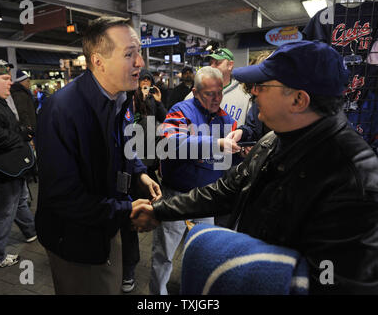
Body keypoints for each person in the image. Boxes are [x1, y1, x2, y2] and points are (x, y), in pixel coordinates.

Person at [131, 40, 378, 294]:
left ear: (298, 100)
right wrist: (160, 210)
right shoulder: (272, 141)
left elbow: (339, 282)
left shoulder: (355, 177)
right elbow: (225, 190)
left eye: (262, 86)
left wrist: (219, 250)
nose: (253, 93)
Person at [35, 16, 161, 295]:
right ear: (98, 61)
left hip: (106, 225)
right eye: (129, 54)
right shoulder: (62, 111)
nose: (140, 62)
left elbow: (123, 145)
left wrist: (140, 173)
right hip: (75, 239)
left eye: (138, 52)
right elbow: (64, 197)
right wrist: (127, 210)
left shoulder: (119, 98)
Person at [149, 66, 242, 295]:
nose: (216, 98)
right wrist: (217, 143)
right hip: (177, 197)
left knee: (204, 255)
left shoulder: (226, 119)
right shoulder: (180, 111)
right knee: (164, 254)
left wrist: (242, 151)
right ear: (195, 92)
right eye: (210, 93)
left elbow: (229, 159)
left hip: (207, 199)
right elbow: (171, 144)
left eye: (219, 92)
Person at [0, 64, 35, 269]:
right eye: (5, 78)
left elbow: (4, 126)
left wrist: (21, 130)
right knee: (0, 215)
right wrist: (19, 136)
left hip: (5, 169)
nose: (10, 82)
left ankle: (31, 232)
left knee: (11, 205)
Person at [120, 69, 167, 293]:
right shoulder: (127, 101)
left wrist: (156, 101)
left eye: (148, 81)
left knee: (139, 201)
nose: (144, 85)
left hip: (144, 158)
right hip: (127, 162)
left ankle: (128, 270)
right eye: (142, 82)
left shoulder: (151, 101)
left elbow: (162, 121)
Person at [186, 48, 251, 126]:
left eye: (217, 63)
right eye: (210, 63)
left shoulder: (244, 96)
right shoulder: (194, 95)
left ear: (230, 65)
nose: (212, 67)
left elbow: (251, 129)